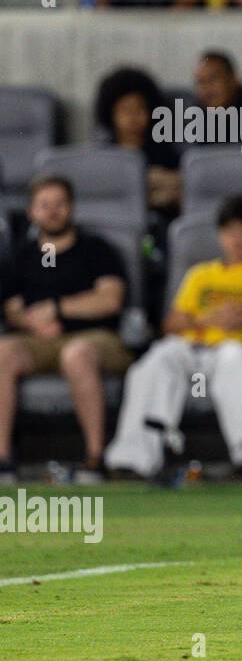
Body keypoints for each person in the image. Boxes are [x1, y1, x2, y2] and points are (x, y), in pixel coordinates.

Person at [105, 195, 242, 479]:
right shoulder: (200, 274)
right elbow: (171, 323)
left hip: (235, 348)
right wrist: (207, 319)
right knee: (153, 362)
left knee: (235, 361)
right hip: (190, 346)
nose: (237, 240)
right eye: (230, 231)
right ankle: (132, 459)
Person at [0, 176, 131, 485]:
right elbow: (12, 307)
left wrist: (58, 308)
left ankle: (94, 458)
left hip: (95, 338)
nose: (53, 211)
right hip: (39, 339)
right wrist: (31, 321)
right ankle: (3, 459)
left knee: (76, 354)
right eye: (44, 205)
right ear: (32, 212)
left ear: (71, 208)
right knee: (3, 351)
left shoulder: (95, 248)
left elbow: (110, 299)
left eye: (60, 204)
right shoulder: (22, 256)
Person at [93, 67, 182, 218]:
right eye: (126, 111)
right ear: (111, 114)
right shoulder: (103, 155)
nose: (133, 118)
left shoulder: (163, 152)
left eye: (140, 110)